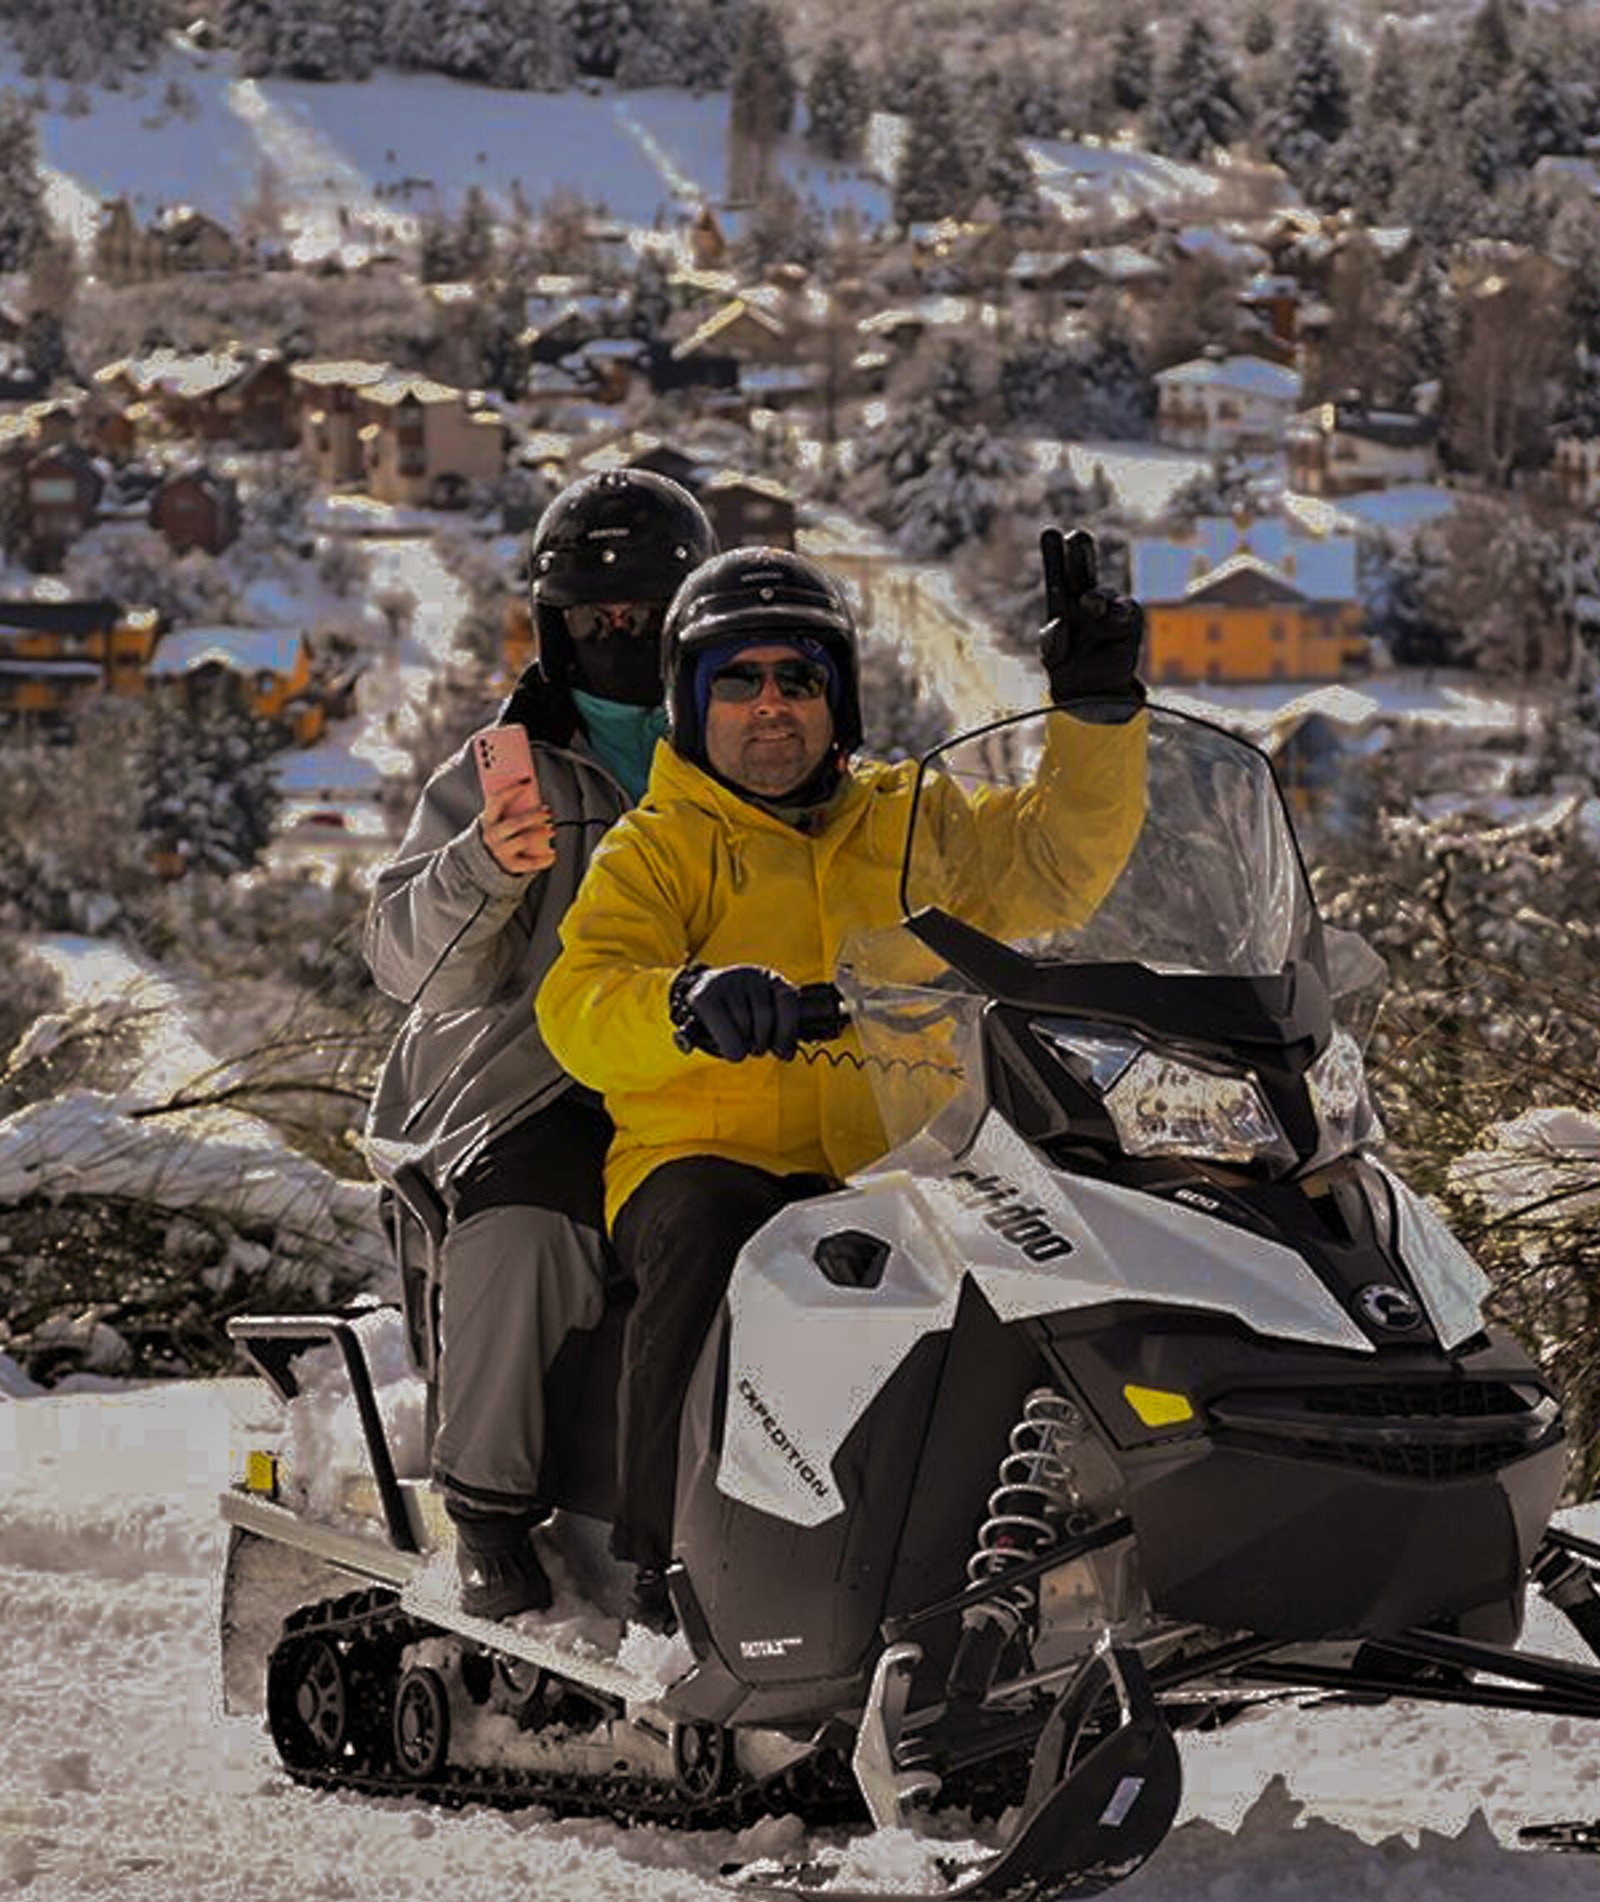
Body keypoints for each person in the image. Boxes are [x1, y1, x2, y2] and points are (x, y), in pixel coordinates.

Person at [535, 541, 1148, 1631]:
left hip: (903, 1163)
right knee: (717, 1229)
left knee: (1052, 1243)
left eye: (798, 679)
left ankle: (1034, 1552)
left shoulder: (917, 821)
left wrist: (1095, 712)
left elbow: (1058, 864)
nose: (771, 706)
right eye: (738, 680)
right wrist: (687, 1004)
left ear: (838, 697)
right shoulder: (657, 849)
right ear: (690, 700)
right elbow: (581, 1002)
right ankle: (659, 1567)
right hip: (708, 1159)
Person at [363, 468, 717, 1620]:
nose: (618, 634)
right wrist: (484, 866)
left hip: (730, 1077)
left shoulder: (754, 744)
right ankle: (489, 1508)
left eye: (644, 614)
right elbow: (409, 964)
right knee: (523, 1234)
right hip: (542, 1082)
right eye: (590, 615)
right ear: (553, 626)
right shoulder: (500, 769)